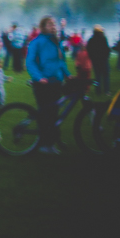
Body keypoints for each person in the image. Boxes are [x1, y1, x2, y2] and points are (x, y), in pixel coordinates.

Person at [26, 16, 70, 155]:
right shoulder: (36, 42)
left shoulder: (56, 42)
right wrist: (39, 77)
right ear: (43, 27)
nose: (53, 26)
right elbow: (30, 62)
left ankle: (51, 143)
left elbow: (61, 61)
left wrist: (67, 75)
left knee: (54, 114)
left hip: (56, 82)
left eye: (54, 24)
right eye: (50, 24)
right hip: (43, 84)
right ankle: (44, 144)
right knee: (46, 115)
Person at [86, 26, 111, 95]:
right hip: (104, 60)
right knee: (105, 76)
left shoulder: (91, 40)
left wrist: (92, 58)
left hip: (95, 61)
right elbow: (107, 49)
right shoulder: (103, 38)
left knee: (98, 76)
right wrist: (106, 56)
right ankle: (106, 91)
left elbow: (88, 50)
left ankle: (98, 91)